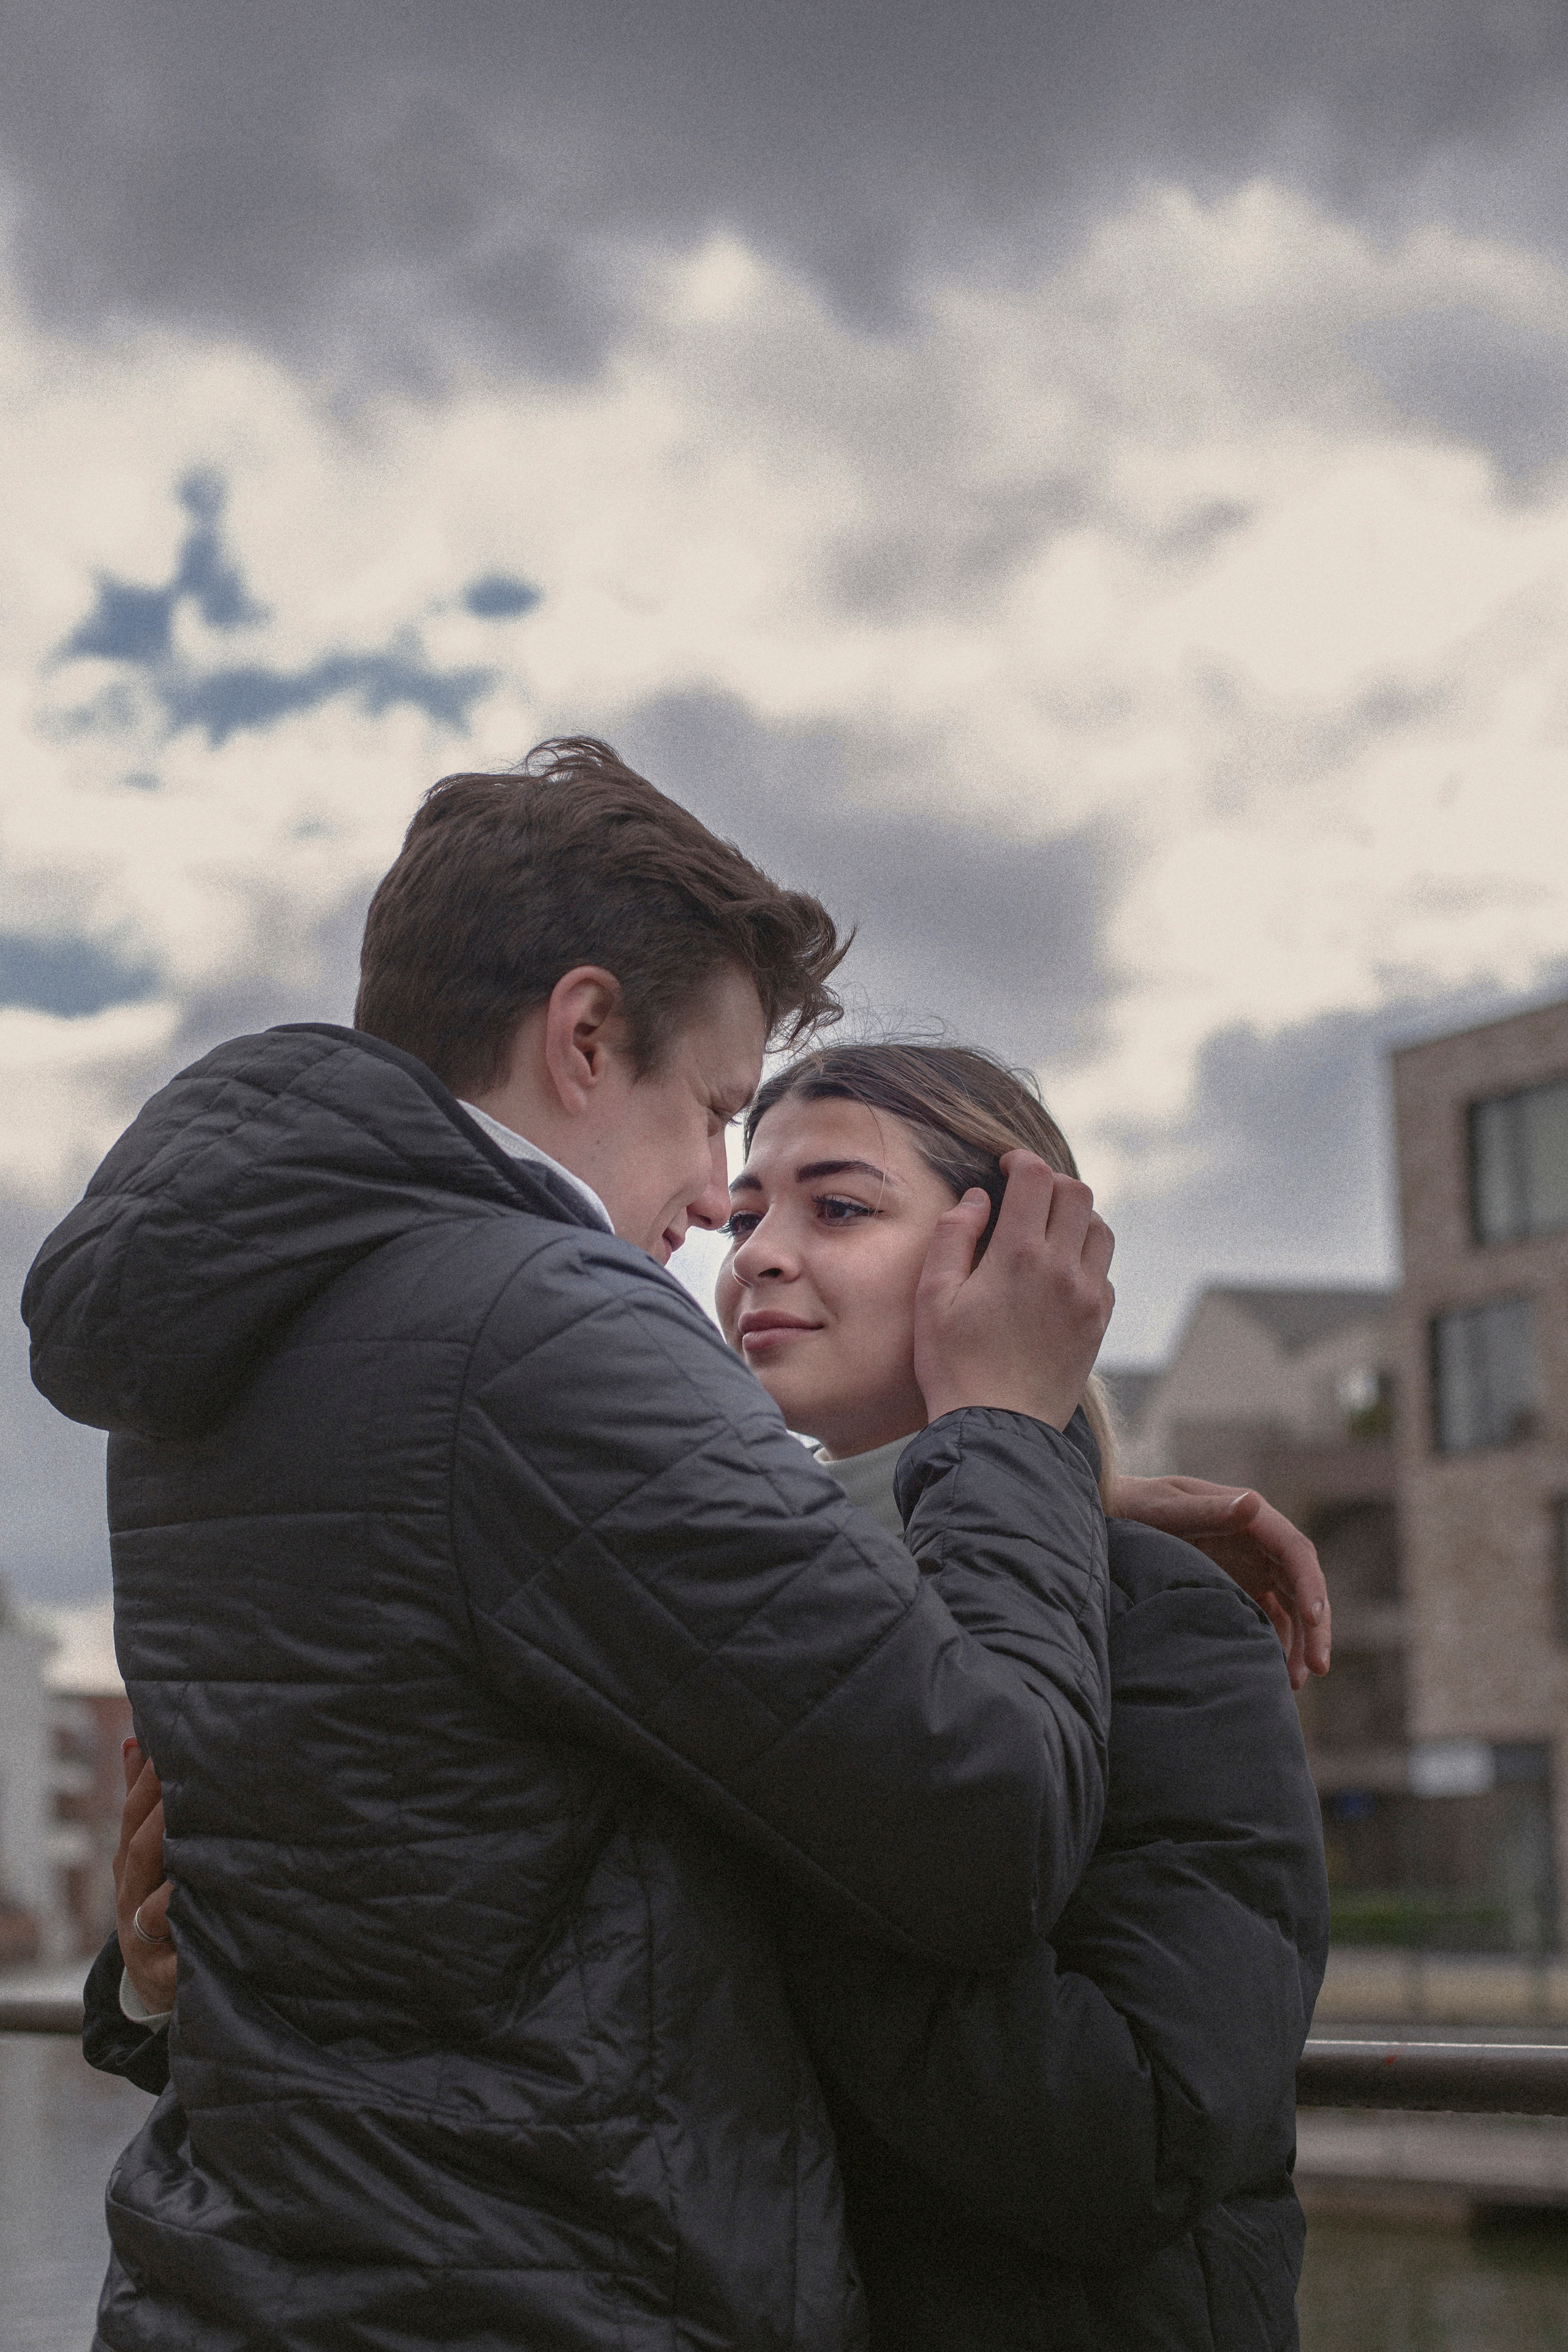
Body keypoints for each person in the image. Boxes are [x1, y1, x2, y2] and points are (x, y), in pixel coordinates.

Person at [27, 739, 1128, 2352]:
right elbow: (987, 1828)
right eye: (710, 1115)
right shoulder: (540, 1320)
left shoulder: (240, 1327)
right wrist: (1016, 1440)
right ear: (586, 1032)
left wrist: (965, 1493)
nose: (708, 1198)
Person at [714, 1042, 1331, 2351]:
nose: (757, 1251)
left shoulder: (1159, 1618)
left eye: (835, 1207)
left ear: (1007, 1260)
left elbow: (1142, 2133)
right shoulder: (709, 1619)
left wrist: (768, 1830)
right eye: (744, 1209)